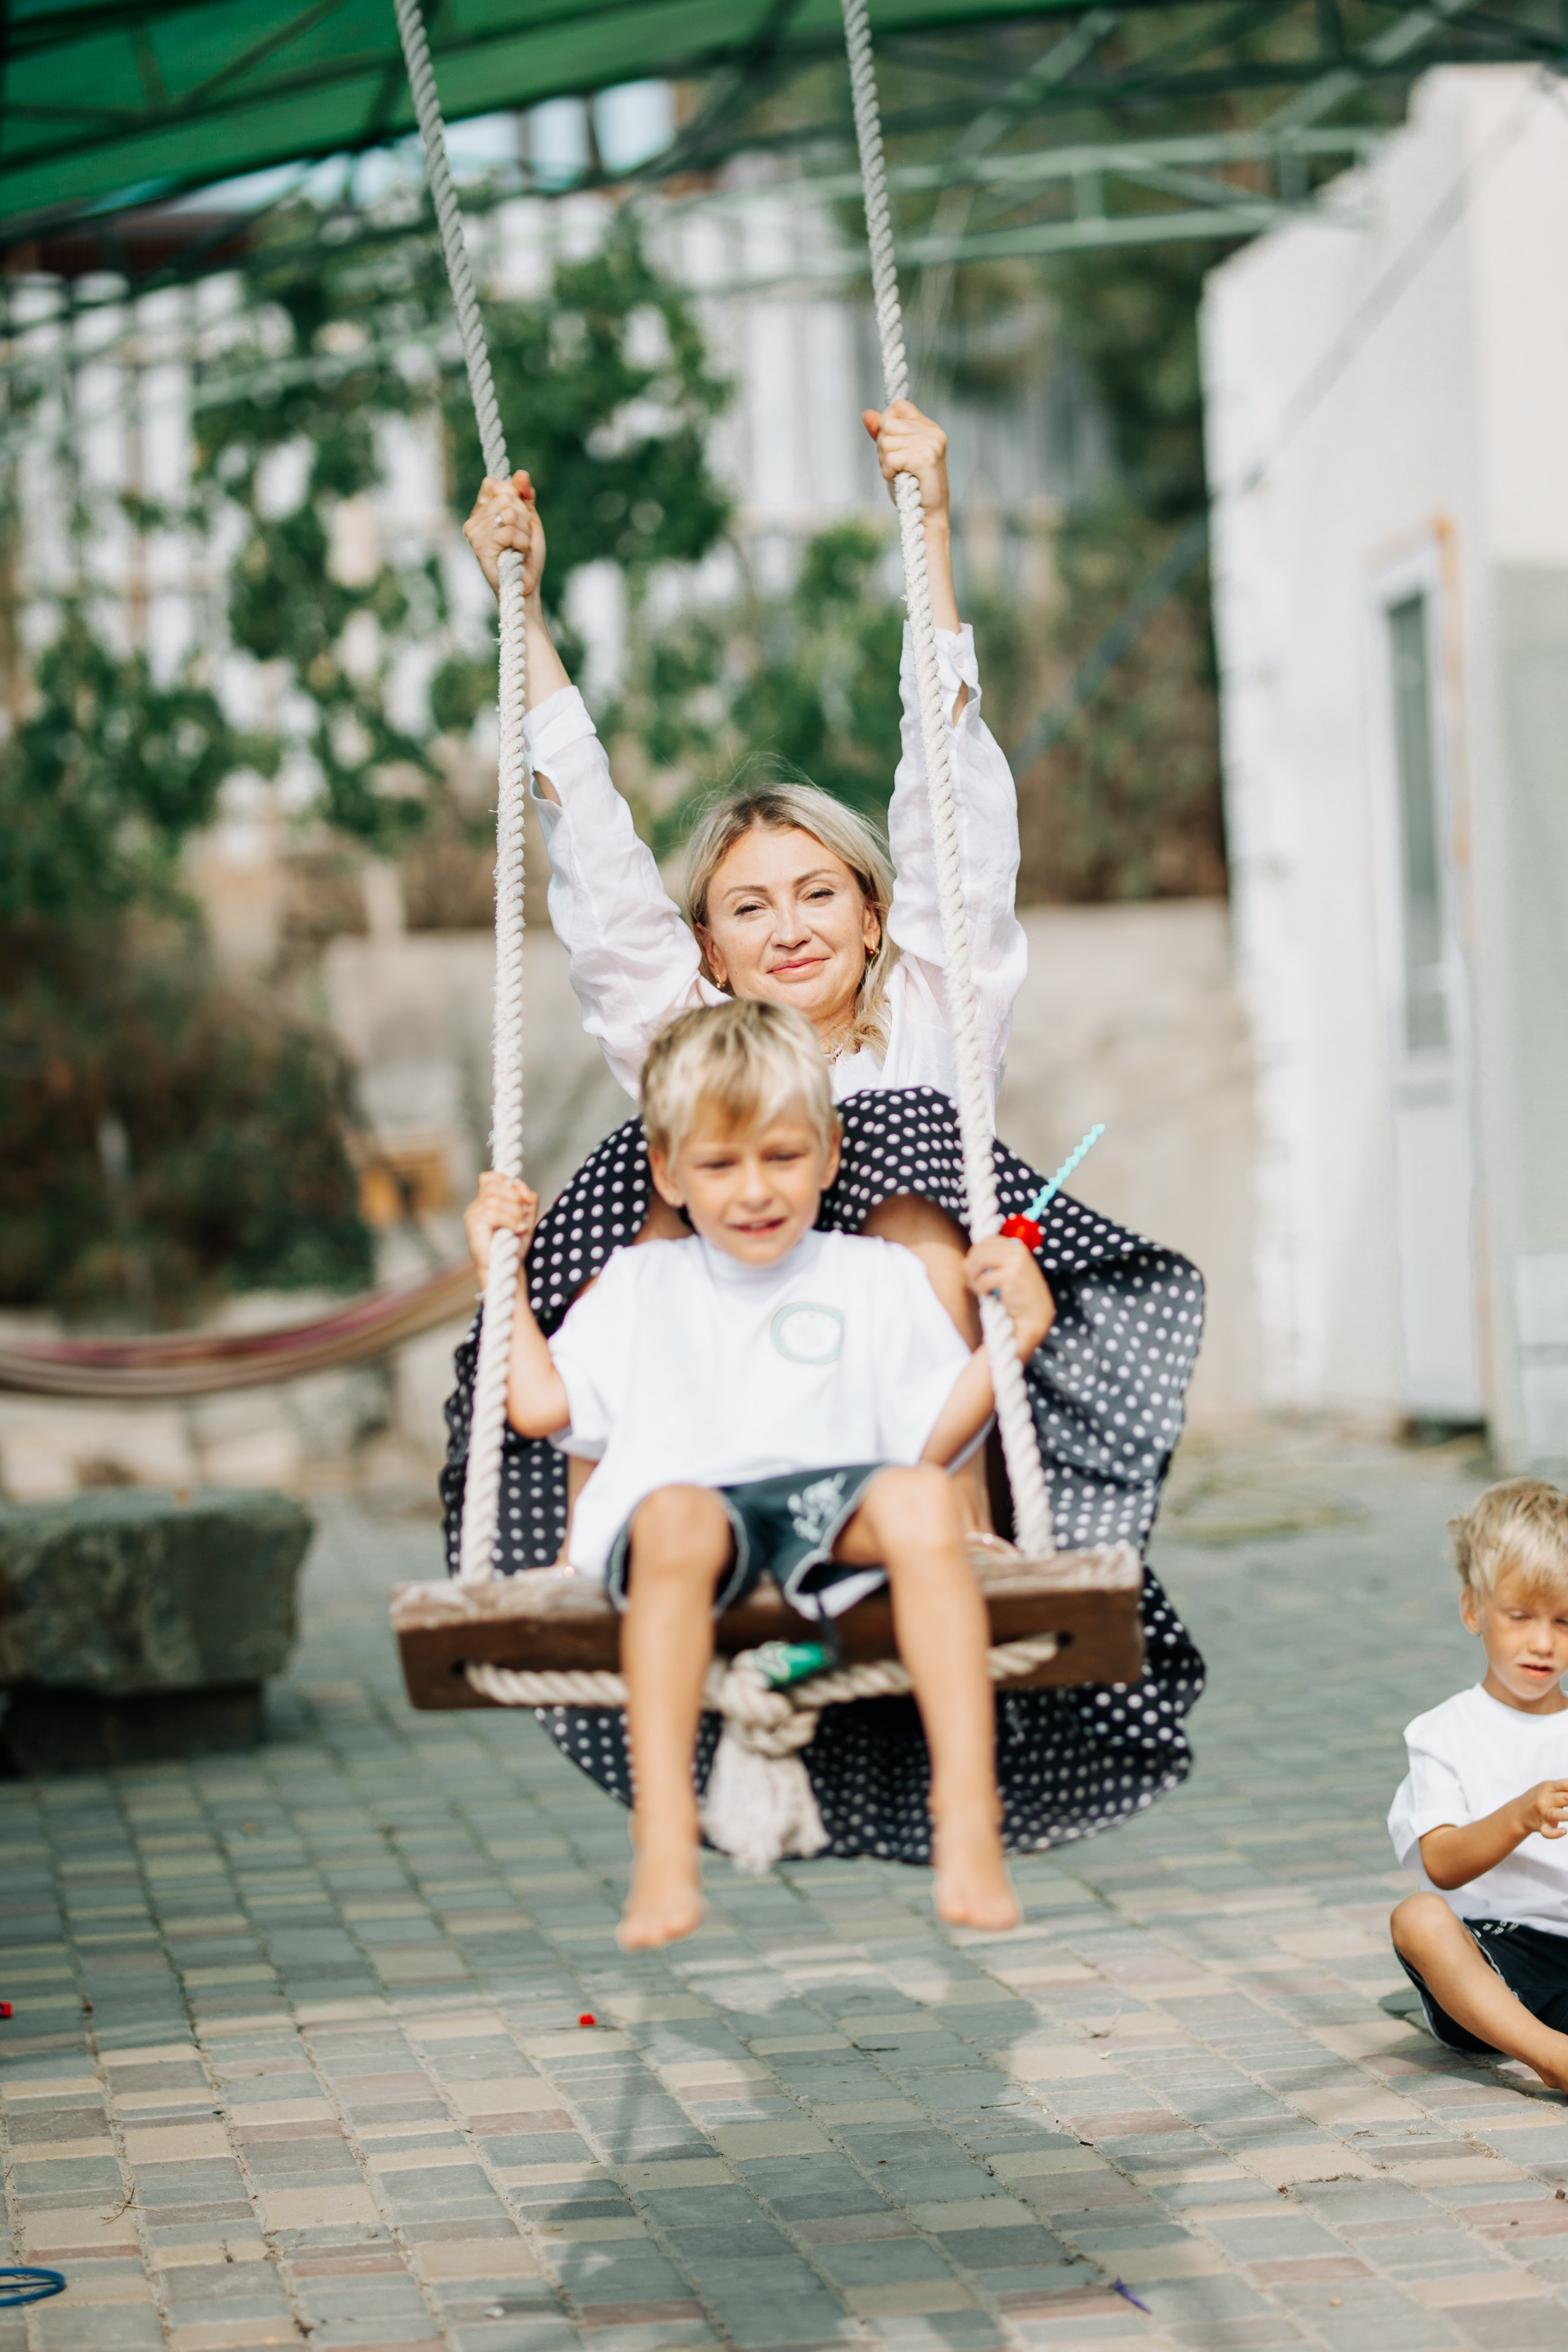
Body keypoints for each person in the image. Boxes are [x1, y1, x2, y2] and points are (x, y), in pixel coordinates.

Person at [444, 399, 1207, 1864]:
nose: (786, 926)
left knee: (911, 1150)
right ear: (708, 950)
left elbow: (950, 790)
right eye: (747, 904)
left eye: (815, 894)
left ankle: (960, 1526)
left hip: (897, 1419)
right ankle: (618, 1539)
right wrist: (517, 605)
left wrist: (927, 523)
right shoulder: (684, 1029)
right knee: (683, 1144)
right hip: (712, 1415)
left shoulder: (931, 1017)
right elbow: (590, 842)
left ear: (871, 917)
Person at [466, 998, 1055, 1948]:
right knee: (674, 1520)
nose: (753, 1191)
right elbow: (540, 1408)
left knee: (917, 1501)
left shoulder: (874, 1277)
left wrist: (1016, 1336)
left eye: (783, 1158)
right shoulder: (639, 1284)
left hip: (834, 1506)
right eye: (719, 1164)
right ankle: (663, 1840)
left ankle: (968, 1816)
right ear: (669, 1172)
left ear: (827, 1156)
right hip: (690, 1521)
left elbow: (929, 1436)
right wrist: (498, 1269)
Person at [1389, 1478, 1568, 2086]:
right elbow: (1442, 1862)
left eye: (1564, 1621)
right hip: (1492, 1959)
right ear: (1473, 1610)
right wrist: (1518, 1816)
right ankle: (1550, 2057)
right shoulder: (1443, 1733)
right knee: (1417, 1918)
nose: (1541, 1642)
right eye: (1519, 1616)